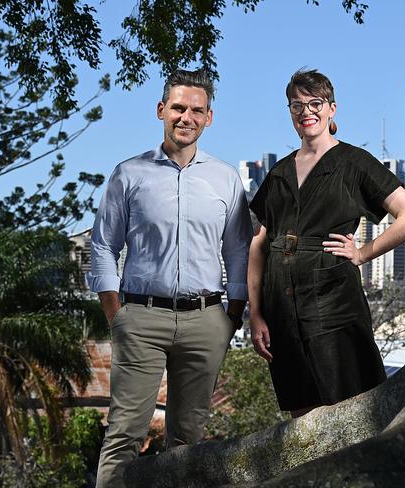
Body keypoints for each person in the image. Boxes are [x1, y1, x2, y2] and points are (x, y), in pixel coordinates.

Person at [87, 69, 252, 487]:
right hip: (141, 317)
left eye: (197, 110)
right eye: (178, 107)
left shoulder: (226, 179)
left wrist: (231, 315)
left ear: (209, 118)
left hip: (206, 319)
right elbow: (103, 245)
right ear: (162, 110)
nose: (186, 117)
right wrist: (116, 314)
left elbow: (237, 249)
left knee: (188, 439)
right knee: (125, 434)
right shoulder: (130, 174)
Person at [248, 69, 405, 418]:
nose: (306, 112)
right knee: (302, 417)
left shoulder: (354, 163)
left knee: (351, 410)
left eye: (315, 103)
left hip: (334, 305)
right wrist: (256, 314)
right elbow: (257, 246)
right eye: (296, 105)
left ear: (332, 108)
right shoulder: (278, 173)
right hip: (282, 312)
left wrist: (362, 253)